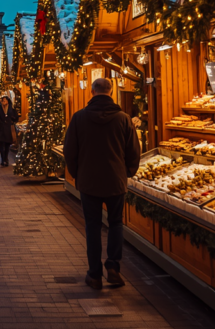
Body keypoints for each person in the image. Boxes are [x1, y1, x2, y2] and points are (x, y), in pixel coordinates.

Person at [63, 78, 140, 290]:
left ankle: (94, 274)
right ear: (112, 91)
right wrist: (127, 172)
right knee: (115, 223)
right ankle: (113, 266)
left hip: (88, 181)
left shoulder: (78, 118)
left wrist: (77, 173)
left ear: (92, 91)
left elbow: (69, 151)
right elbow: (134, 151)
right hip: (115, 179)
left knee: (93, 226)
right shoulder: (124, 119)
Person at [0, 96, 18, 167]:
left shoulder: (11, 109)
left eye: (5, 101)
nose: (3, 102)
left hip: (8, 129)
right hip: (0, 129)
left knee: (7, 145)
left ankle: (6, 158)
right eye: (2, 101)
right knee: (1, 145)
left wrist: (13, 118)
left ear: (8, 101)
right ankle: (3, 159)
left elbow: (16, 118)